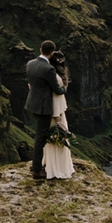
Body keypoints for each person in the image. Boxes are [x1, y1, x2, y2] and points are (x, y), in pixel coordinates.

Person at [24, 40, 66, 182]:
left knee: (40, 135)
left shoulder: (30, 64)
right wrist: (65, 88)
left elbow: (32, 83)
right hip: (43, 107)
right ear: (52, 53)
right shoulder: (48, 69)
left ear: (41, 49)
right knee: (40, 138)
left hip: (33, 104)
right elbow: (57, 89)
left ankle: (40, 164)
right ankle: (36, 170)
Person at [43, 50, 75, 179]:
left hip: (56, 113)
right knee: (59, 138)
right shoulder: (61, 75)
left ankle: (55, 167)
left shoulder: (54, 76)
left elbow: (55, 97)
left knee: (55, 139)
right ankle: (60, 166)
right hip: (60, 111)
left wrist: (56, 116)